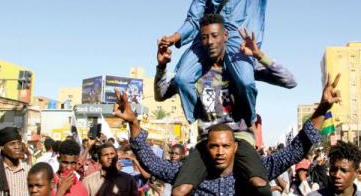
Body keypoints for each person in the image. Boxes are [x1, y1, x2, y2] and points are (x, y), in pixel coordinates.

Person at [114, 68, 341, 195]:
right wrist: (133, 122)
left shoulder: (255, 171)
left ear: (235, 147)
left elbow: (296, 150)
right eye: (214, 146)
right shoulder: (189, 175)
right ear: (205, 148)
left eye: (225, 146)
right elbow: (152, 162)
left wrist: (322, 108)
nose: (220, 152)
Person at [159, 0, 295, 133]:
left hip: (236, 42)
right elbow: (194, 20)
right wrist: (175, 37)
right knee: (181, 79)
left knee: (246, 82)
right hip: (206, 40)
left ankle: (248, 120)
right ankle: (202, 118)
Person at [155, 14, 296, 195]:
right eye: (204, 37)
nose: (210, 42)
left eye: (214, 36)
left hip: (241, 137)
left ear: (225, 36)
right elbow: (161, 95)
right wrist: (161, 67)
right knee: (179, 191)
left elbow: (290, 81)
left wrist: (259, 55)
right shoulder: (193, 74)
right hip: (208, 140)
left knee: (261, 186)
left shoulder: (242, 68)